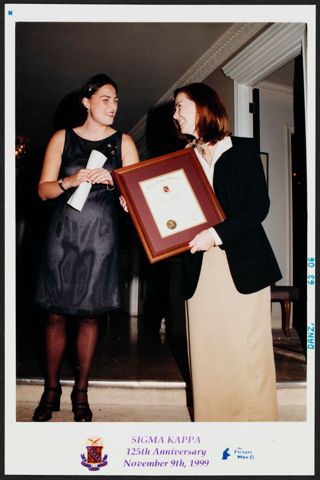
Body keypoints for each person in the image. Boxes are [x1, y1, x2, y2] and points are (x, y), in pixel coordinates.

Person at [173, 83, 282, 421]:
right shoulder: (181, 161)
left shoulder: (244, 151)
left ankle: (259, 427)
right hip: (200, 266)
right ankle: (213, 424)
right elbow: (171, 213)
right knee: (208, 349)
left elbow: (257, 207)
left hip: (242, 261)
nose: (175, 115)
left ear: (202, 107)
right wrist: (137, 208)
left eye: (180, 107)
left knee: (249, 348)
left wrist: (215, 235)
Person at [33, 74, 139, 421]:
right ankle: (51, 389)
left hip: (101, 236)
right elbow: (44, 191)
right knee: (54, 313)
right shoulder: (62, 138)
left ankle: (81, 391)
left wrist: (120, 185)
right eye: (106, 99)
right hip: (62, 235)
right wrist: (71, 179)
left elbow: (138, 199)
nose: (113, 106)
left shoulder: (123, 143)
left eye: (116, 101)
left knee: (92, 314)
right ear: (87, 102)